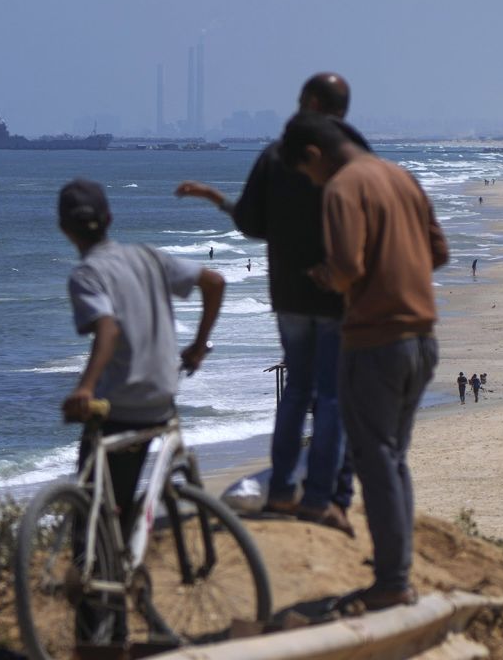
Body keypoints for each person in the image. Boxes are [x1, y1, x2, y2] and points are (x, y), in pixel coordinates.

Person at [173, 73, 367, 535]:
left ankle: (281, 488)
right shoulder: (352, 155)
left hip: (290, 296)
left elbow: (250, 223)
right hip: (337, 295)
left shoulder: (276, 156)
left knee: (298, 391)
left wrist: (218, 199)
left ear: (314, 102)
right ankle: (320, 498)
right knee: (331, 395)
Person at [284, 111, 449, 612]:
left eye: (306, 173)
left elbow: (348, 267)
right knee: (393, 457)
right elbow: (438, 252)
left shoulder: (341, 189)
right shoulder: (401, 177)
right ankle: (394, 571)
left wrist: (324, 276)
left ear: (314, 157)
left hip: (376, 340)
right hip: (422, 336)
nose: (312, 182)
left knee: (375, 460)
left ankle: (393, 581)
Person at [59, 178, 225, 535]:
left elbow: (107, 328)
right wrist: (198, 346)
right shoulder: (148, 256)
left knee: (93, 513)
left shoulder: (86, 275)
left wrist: (85, 387)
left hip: (120, 408)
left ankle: (92, 571)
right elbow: (214, 282)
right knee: (124, 490)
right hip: (163, 397)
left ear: (64, 229)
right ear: (110, 217)